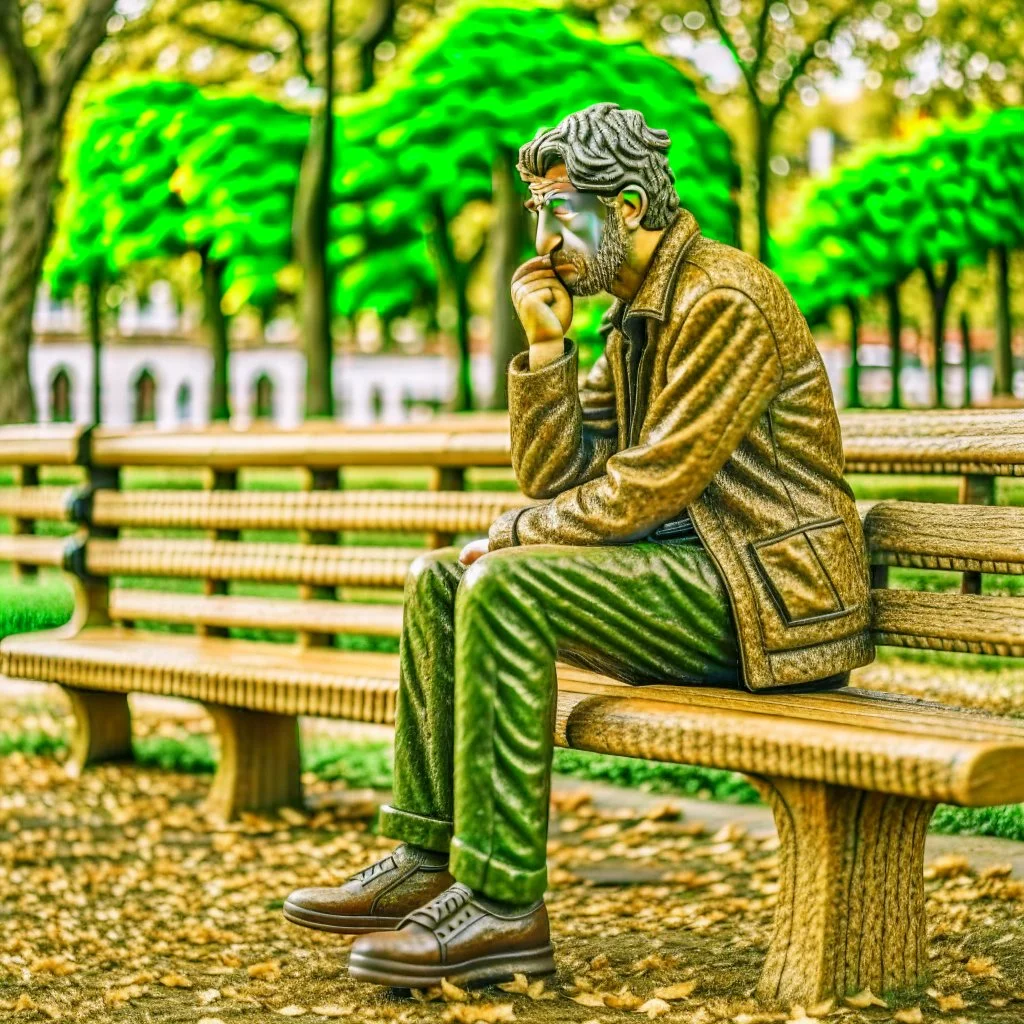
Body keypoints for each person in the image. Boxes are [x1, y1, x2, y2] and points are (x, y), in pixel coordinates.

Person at [283, 102, 873, 989]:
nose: (546, 239)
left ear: (628, 207)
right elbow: (554, 478)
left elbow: (652, 484)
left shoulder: (722, 301)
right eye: (538, 213)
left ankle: (501, 905)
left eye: (564, 212)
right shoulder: (634, 313)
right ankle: (428, 856)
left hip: (769, 599)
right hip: (698, 575)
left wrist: (514, 541)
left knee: (506, 586)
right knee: (441, 578)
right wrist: (547, 347)